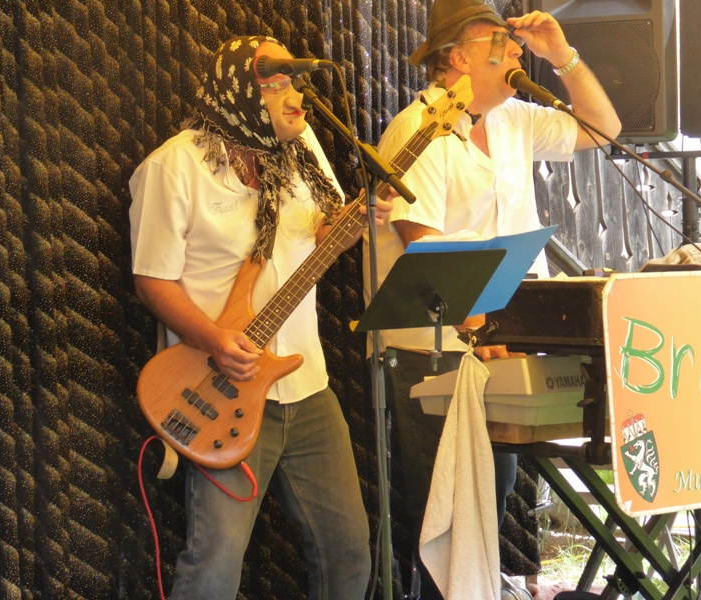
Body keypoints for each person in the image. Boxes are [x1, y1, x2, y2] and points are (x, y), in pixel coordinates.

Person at [362, 1, 621, 598]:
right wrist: (486, 330)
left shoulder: (514, 119)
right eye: (499, 44)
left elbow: (604, 129)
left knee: (491, 496)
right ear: (457, 57)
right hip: (435, 350)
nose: (515, 51)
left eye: (514, 42)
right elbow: (424, 248)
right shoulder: (419, 129)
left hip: (496, 341)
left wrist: (564, 56)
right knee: (448, 511)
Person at [129, 35, 393, 599]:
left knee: (349, 553)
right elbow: (152, 278)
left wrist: (354, 224)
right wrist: (215, 339)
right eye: (275, 85)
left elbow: (321, 234)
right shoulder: (174, 166)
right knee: (216, 565)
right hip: (220, 389)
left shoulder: (301, 149)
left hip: (308, 384)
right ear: (238, 93)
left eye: (294, 83)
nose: (295, 97)